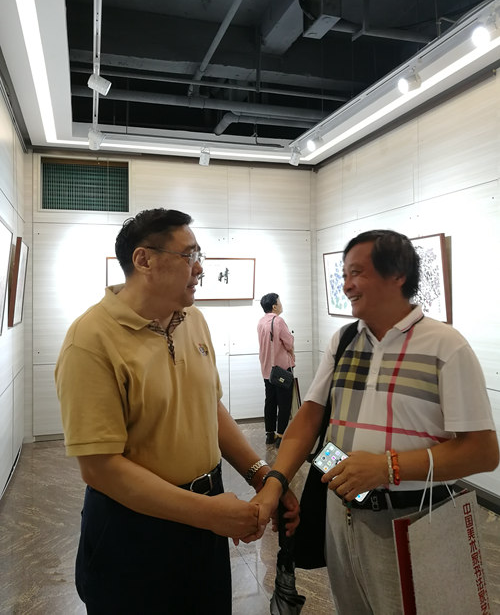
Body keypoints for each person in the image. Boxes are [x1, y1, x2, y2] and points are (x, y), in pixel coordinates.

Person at [55, 208, 298, 615]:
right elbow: (99, 467)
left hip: (206, 519)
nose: (199, 267)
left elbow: (209, 407)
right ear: (144, 260)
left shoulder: (193, 320)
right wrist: (209, 513)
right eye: (189, 255)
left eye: (199, 255)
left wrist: (261, 475)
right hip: (133, 529)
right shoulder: (90, 339)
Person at [253, 229, 499, 615]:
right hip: (341, 516)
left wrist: (388, 467)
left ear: (398, 274)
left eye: (357, 273)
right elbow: (309, 418)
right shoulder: (344, 340)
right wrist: (275, 483)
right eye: (344, 274)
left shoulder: (446, 346)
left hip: (414, 519)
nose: (346, 285)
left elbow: (483, 452)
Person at [257, 293, 295, 447]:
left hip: (267, 369)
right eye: (279, 301)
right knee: (284, 403)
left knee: (270, 401)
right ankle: (281, 436)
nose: (281, 304)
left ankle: (269, 434)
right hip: (281, 370)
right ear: (274, 306)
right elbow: (288, 343)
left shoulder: (261, 322)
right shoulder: (278, 321)